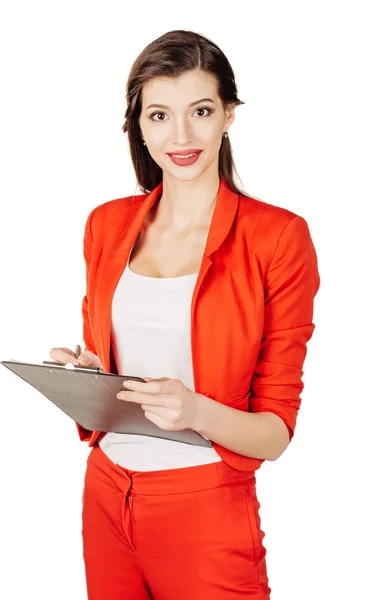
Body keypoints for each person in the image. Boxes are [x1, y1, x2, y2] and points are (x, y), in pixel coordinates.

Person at [50, 29, 320, 600]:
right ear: (138, 125)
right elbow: (117, 365)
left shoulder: (276, 238)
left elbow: (274, 435)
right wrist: (88, 375)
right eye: (158, 115)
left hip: (205, 504)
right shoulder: (106, 225)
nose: (180, 136)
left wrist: (195, 409)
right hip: (105, 492)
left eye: (200, 110)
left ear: (228, 115)